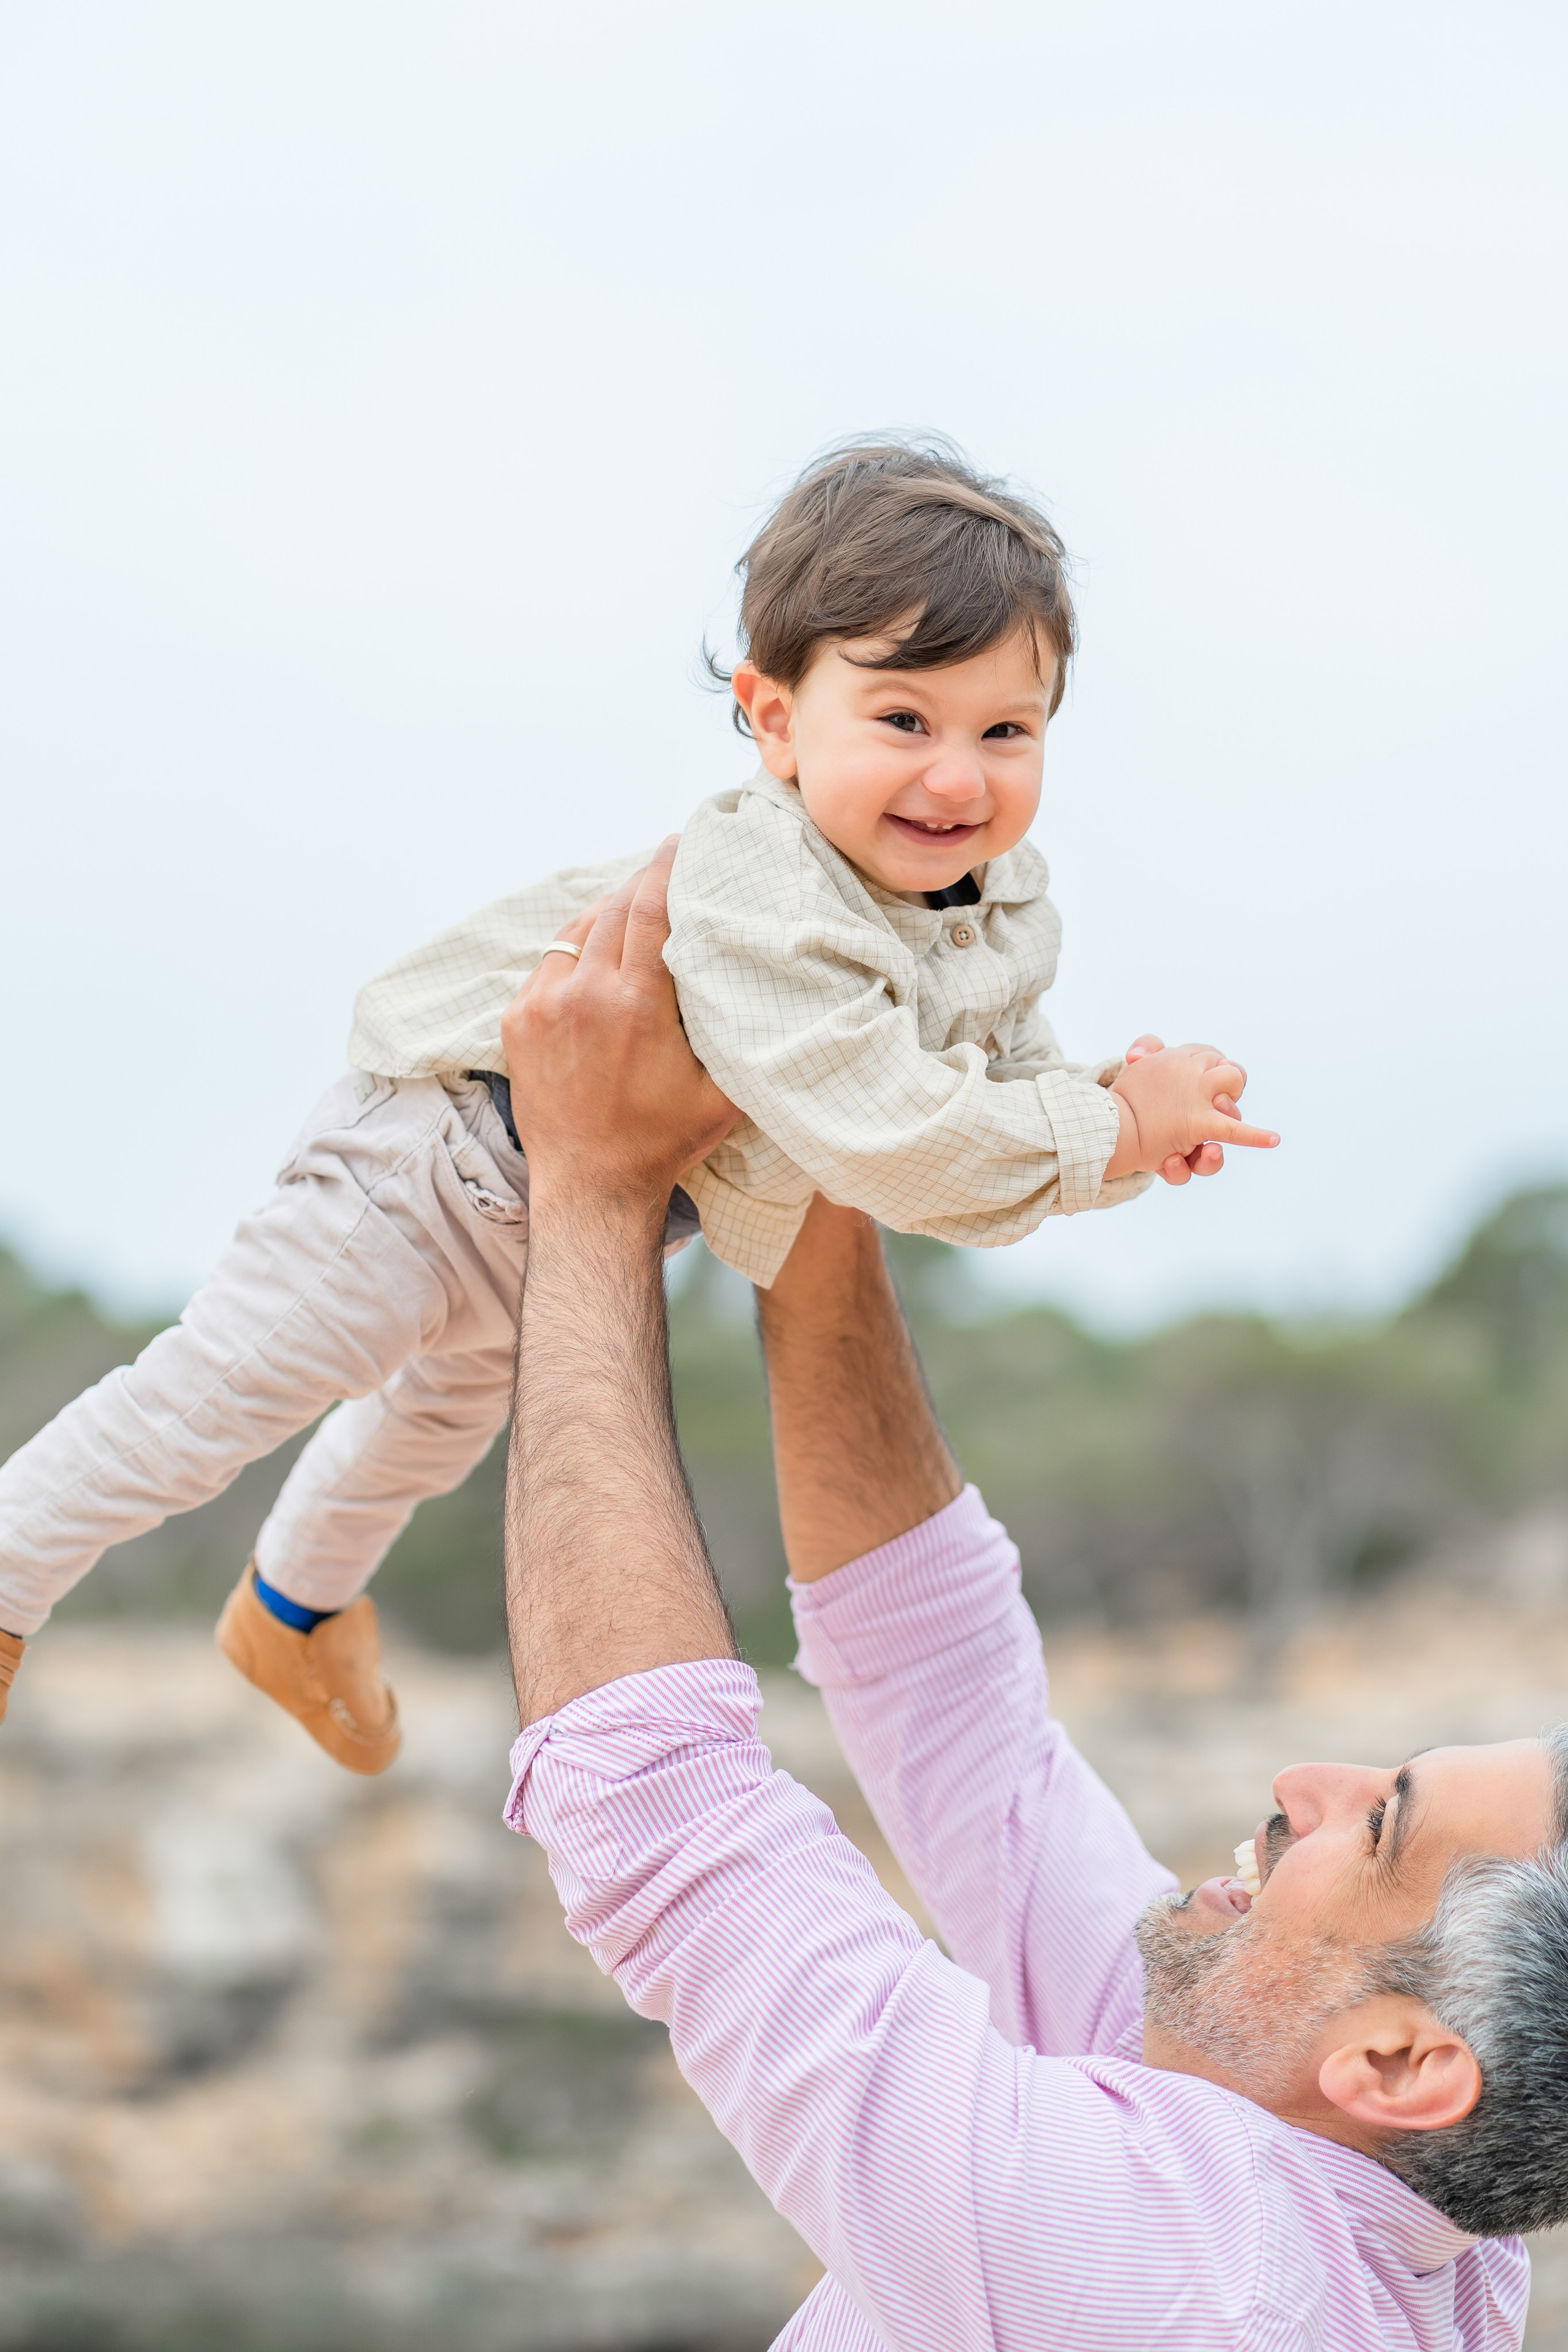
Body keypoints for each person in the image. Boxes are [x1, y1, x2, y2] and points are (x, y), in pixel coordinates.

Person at [0, 441, 1273, 1762]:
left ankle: (289, 1609)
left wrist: (1127, 1119)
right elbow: (888, 1136)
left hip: (569, 1227)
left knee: (424, 1436)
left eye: (1004, 731)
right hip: (431, 1168)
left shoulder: (988, 906)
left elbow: (994, 1098)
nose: (957, 778)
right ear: (775, 719)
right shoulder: (763, 876)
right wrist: (1111, 1129)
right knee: (211, 1405)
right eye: (902, 721)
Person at [498, 853, 1568, 2350]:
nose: (1299, 1788)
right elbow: (955, 1713)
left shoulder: (1188, 2278)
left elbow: (661, 1818)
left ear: (1399, 2065)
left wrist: (596, 1189)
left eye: (1373, 1828)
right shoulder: (1384, 2201)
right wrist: (823, 1141)